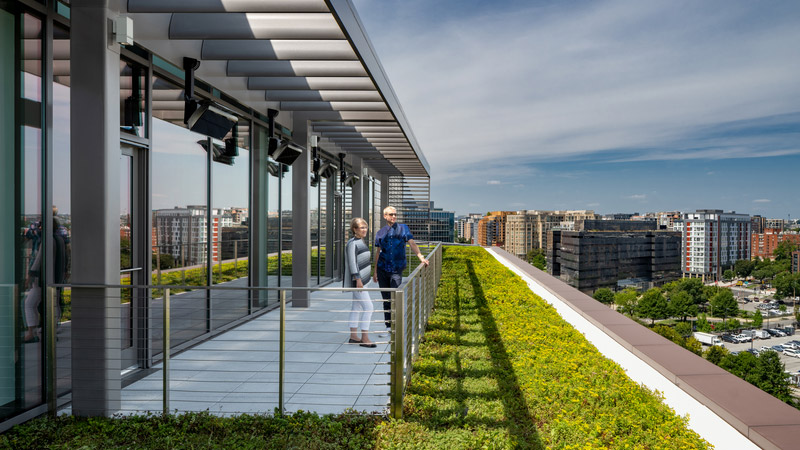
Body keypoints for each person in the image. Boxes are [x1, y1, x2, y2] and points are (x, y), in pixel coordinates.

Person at [372, 206, 429, 334]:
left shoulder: (403, 228)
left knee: (396, 297)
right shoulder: (380, 233)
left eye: (395, 214)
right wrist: (375, 271)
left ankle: (396, 324)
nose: (394, 216)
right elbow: (378, 252)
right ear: (385, 216)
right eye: (391, 214)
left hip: (396, 269)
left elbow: (412, 243)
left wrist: (421, 257)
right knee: (386, 299)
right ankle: (388, 326)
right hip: (382, 269)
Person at [345, 217, 376, 348]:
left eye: (365, 227)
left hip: (364, 281)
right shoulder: (353, 243)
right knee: (369, 308)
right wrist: (358, 279)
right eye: (361, 228)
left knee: (356, 308)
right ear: (354, 229)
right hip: (358, 282)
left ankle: (353, 336)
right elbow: (352, 263)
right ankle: (364, 338)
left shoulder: (360, 241)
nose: (365, 230)